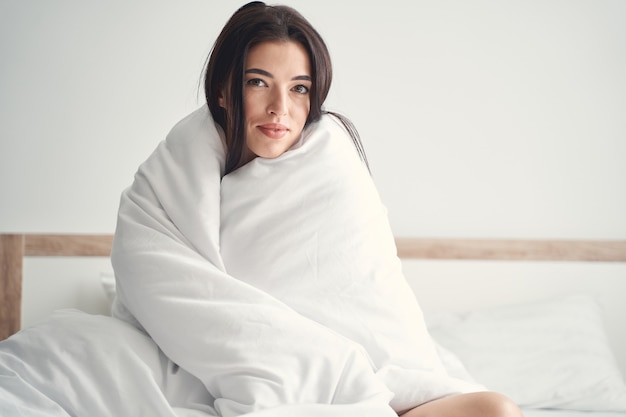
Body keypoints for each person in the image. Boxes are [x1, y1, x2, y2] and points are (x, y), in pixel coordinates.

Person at [110, 2, 524, 417]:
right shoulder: (161, 188)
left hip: (385, 376)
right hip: (268, 369)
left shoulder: (331, 164)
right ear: (223, 89)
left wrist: (367, 384)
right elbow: (164, 288)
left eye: (299, 88)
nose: (280, 108)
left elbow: (371, 299)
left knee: (497, 410)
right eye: (258, 82)